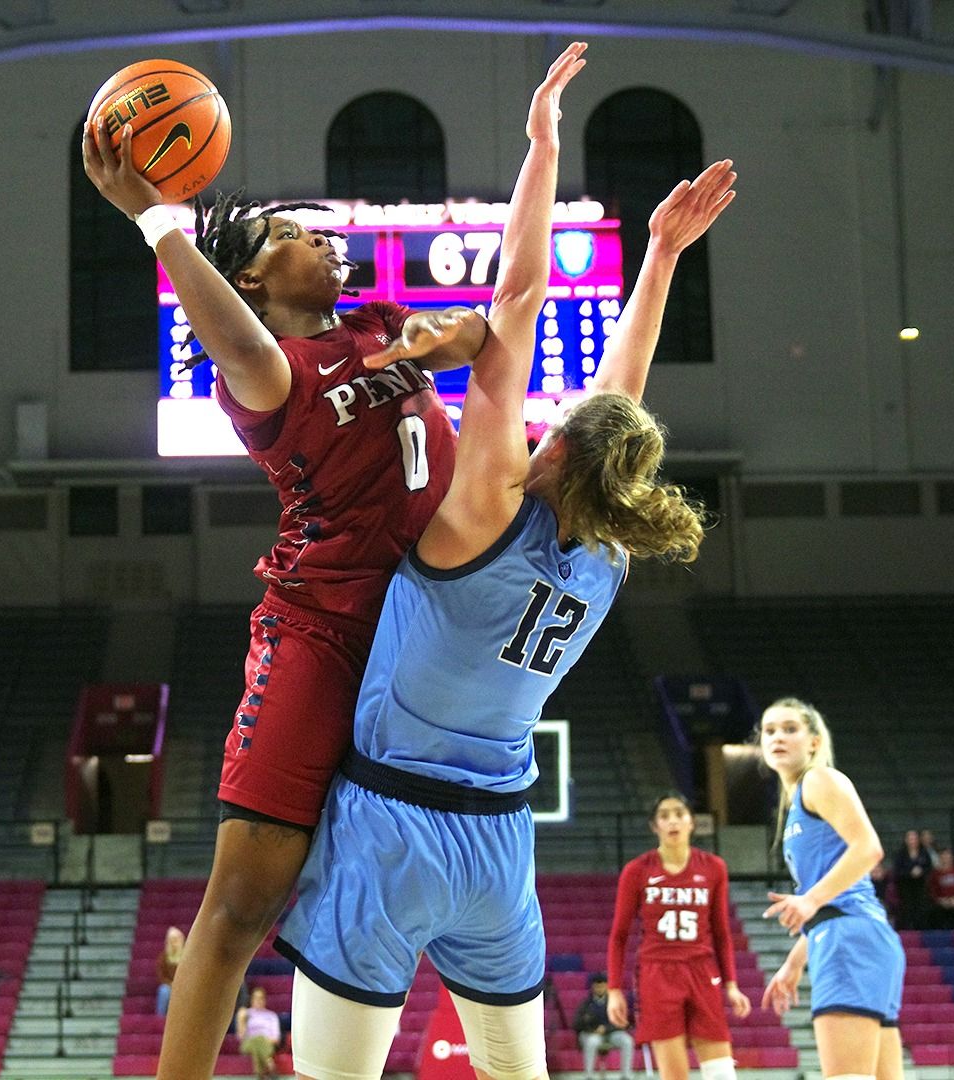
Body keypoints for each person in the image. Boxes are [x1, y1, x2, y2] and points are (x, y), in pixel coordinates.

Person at [274, 47, 737, 1080]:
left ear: (558, 451)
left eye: (556, 425)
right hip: (499, 847)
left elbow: (518, 299)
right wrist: (655, 259)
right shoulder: (608, 552)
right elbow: (624, 398)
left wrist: (541, 145)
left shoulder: (484, 508)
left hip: (391, 827)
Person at [84, 45, 497, 1080]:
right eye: (289, 234)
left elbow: (490, 330)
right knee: (243, 901)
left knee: (428, 889)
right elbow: (230, 338)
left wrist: (457, 335)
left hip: (422, 641)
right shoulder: (266, 374)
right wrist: (158, 222)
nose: (319, 237)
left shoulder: (378, 329)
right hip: (324, 637)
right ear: (253, 277)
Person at [760, 700, 907, 1080]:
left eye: (790, 728)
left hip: (848, 937)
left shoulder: (819, 780)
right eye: (769, 730)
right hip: (861, 934)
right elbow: (841, 897)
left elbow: (869, 849)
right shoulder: (796, 801)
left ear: (813, 741)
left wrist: (809, 899)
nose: (778, 736)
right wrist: (794, 963)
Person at [607, 795, 750, 1080]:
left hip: (702, 970)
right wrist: (614, 990)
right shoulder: (637, 871)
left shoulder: (713, 867)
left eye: (679, 813)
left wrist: (732, 984)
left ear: (692, 822)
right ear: (654, 826)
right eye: (664, 815)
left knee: (722, 1073)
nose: (672, 820)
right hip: (657, 973)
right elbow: (619, 936)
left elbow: (721, 933)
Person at [572, 975, 635, 1080]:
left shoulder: (614, 1002)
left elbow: (622, 1022)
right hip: (591, 1034)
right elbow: (577, 1023)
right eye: (597, 987)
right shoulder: (586, 1004)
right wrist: (592, 1029)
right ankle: (589, 1076)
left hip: (612, 1033)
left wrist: (606, 1028)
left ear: (606, 986)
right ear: (593, 987)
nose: (599, 989)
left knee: (627, 1041)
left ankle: (626, 1076)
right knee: (592, 1042)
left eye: (602, 986)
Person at [235, 985, 282, 1080]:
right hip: (248, 1043)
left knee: (258, 1040)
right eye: (256, 998)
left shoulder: (271, 1016)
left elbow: (276, 1038)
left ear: (265, 1000)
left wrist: (262, 1039)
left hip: (267, 1043)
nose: (258, 1000)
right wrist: (241, 1021)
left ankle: (260, 1074)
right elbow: (241, 1037)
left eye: (261, 998)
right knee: (256, 1040)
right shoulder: (245, 1014)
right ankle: (269, 1063)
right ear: (251, 1000)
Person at [889, 831, 931, 931]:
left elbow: (929, 867)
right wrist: (909, 873)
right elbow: (897, 870)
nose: (912, 841)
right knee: (907, 908)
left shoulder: (924, 853)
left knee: (921, 907)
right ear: (906, 840)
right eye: (910, 839)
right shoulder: (900, 854)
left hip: (921, 886)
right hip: (905, 887)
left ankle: (921, 928)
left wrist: (921, 871)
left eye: (914, 838)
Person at [924, 847, 954, 931]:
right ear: (940, 857)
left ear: (952, 857)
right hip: (941, 903)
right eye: (943, 855)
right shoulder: (935, 874)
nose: (946, 858)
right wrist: (941, 901)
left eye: (948, 855)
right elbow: (932, 891)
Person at [155, 926, 184, 1017]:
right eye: (172, 940)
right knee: (164, 991)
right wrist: (171, 984)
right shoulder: (163, 957)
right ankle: (160, 1020)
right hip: (169, 986)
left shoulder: (187, 957)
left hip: (184, 986)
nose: (174, 943)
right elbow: (161, 976)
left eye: (176, 939)